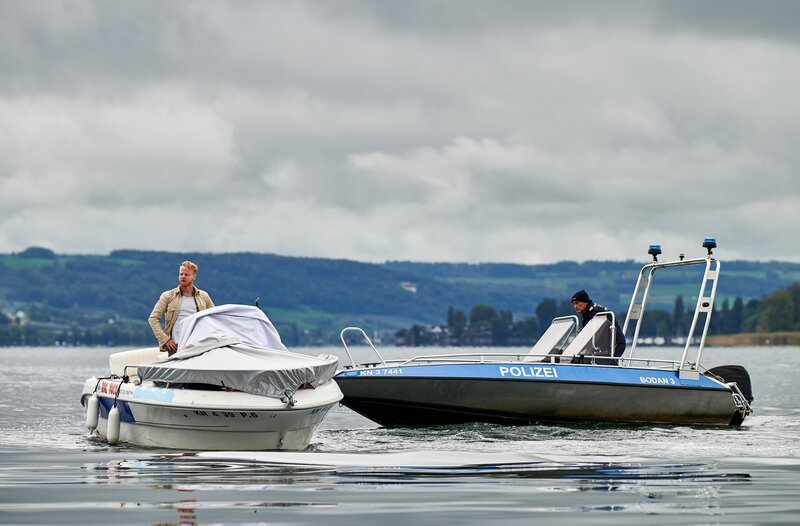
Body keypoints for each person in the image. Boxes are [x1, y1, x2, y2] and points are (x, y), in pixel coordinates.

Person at [149, 260, 214, 355]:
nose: (183, 276)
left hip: (198, 346)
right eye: (181, 274)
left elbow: (214, 317)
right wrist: (165, 340)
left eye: (186, 274)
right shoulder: (168, 296)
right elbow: (153, 318)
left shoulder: (203, 296)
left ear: (194, 277)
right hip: (176, 347)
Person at [570, 289, 625, 359]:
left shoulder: (596, 313)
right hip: (601, 350)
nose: (575, 306)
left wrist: (613, 360)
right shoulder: (588, 316)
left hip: (614, 348)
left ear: (585, 302)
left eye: (577, 303)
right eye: (573, 304)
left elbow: (592, 340)